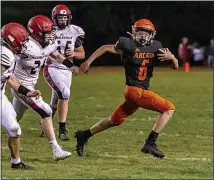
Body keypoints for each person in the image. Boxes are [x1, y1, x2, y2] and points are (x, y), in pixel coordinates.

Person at [75, 19, 179, 158]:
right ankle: (150, 143)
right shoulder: (127, 44)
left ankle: (84, 135)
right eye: (140, 32)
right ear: (134, 31)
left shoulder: (156, 47)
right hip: (134, 90)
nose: (143, 35)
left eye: (146, 33)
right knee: (169, 108)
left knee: (115, 120)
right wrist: (88, 61)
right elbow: (106, 47)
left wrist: (172, 58)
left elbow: (175, 67)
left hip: (136, 93)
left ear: (152, 35)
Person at [10, 15, 78, 161]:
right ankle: (56, 150)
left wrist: (71, 66)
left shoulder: (49, 42)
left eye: (49, 32)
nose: (49, 36)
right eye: (45, 33)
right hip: (20, 86)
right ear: (35, 32)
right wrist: (23, 89)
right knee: (46, 111)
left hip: (31, 85)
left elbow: (57, 55)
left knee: (13, 119)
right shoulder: (24, 46)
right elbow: (9, 62)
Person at [1, 22, 41, 169]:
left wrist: (26, 91)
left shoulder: (7, 53)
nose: (24, 45)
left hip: (1, 95)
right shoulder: (5, 54)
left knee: (14, 129)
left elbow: (9, 77)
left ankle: (16, 163)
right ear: (13, 40)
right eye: (22, 41)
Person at [42, 4, 85, 140]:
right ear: (54, 18)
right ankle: (62, 129)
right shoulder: (49, 31)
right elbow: (51, 52)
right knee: (65, 94)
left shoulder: (74, 31)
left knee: (55, 102)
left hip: (67, 70)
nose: (62, 20)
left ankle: (45, 124)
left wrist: (74, 54)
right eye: (59, 17)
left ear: (69, 18)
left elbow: (82, 54)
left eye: (64, 17)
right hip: (52, 67)